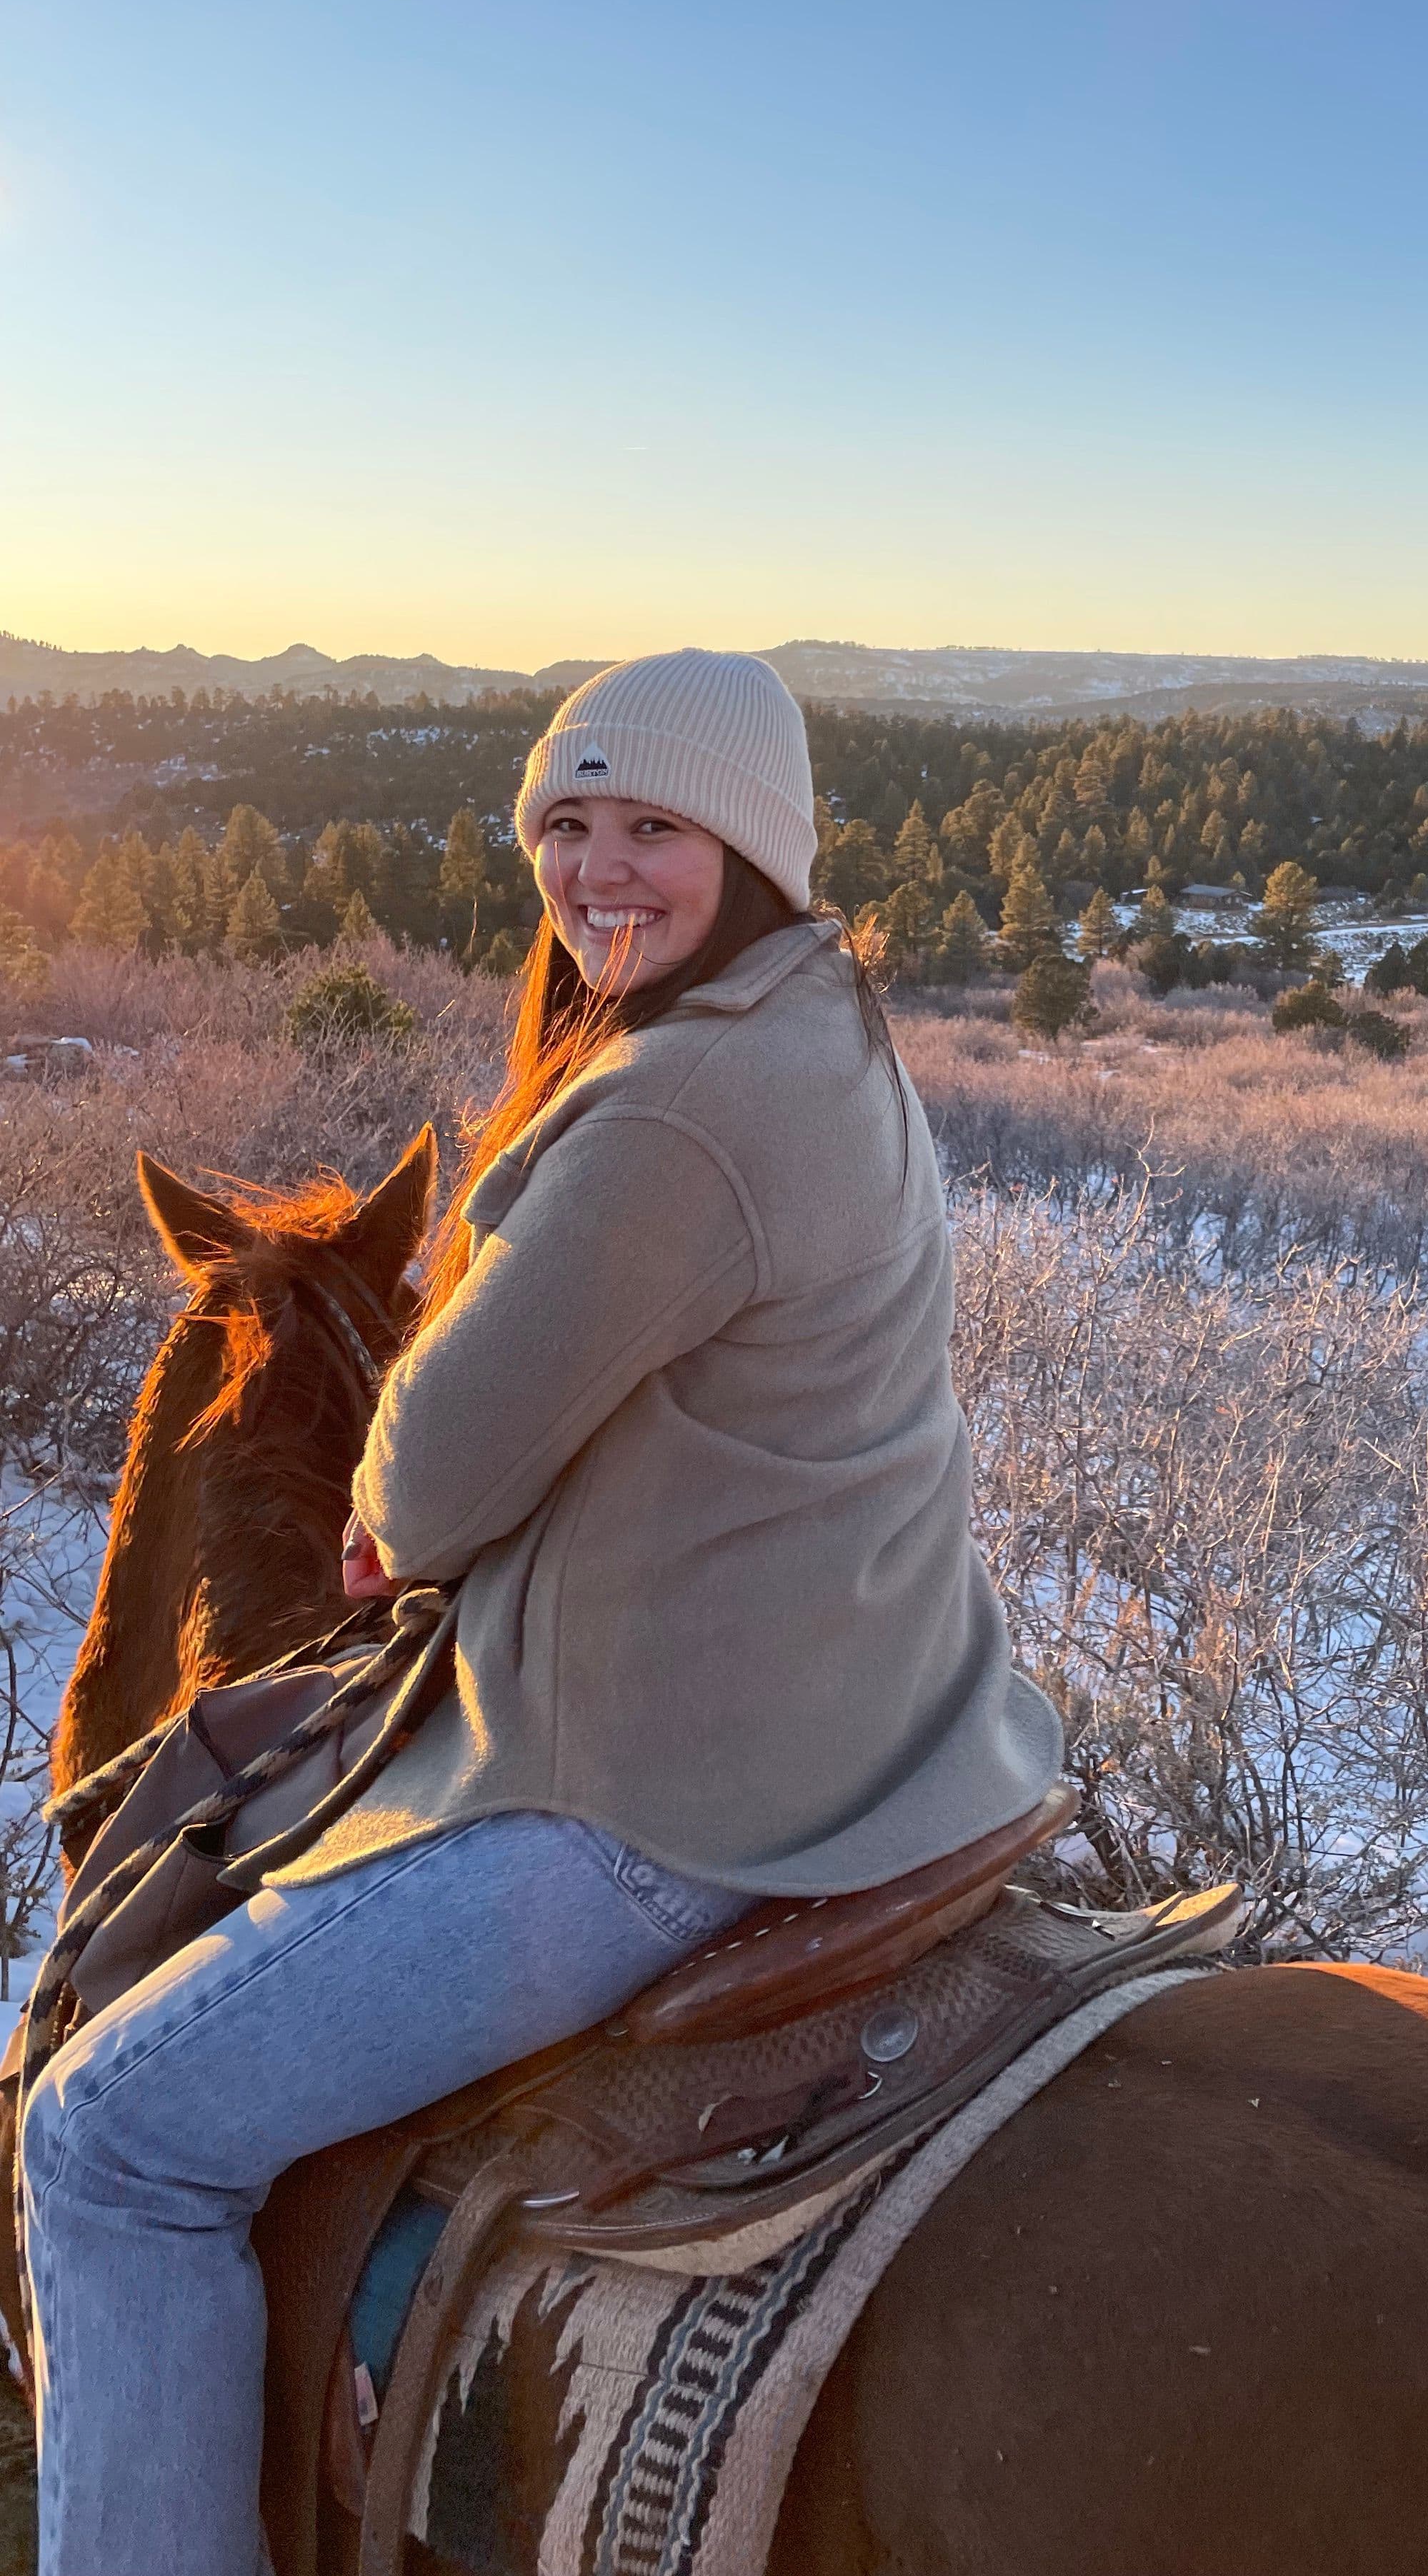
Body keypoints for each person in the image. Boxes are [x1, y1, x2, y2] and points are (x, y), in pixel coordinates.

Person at [20, 648, 1063, 2576]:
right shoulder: (823, 1024)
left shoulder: (673, 1106)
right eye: (563, 828)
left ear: (747, 843)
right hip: (887, 1710)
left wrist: (410, 1506)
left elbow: (419, 1480)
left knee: (109, 2144)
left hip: (661, 1794)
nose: (595, 872)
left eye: (650, 826)